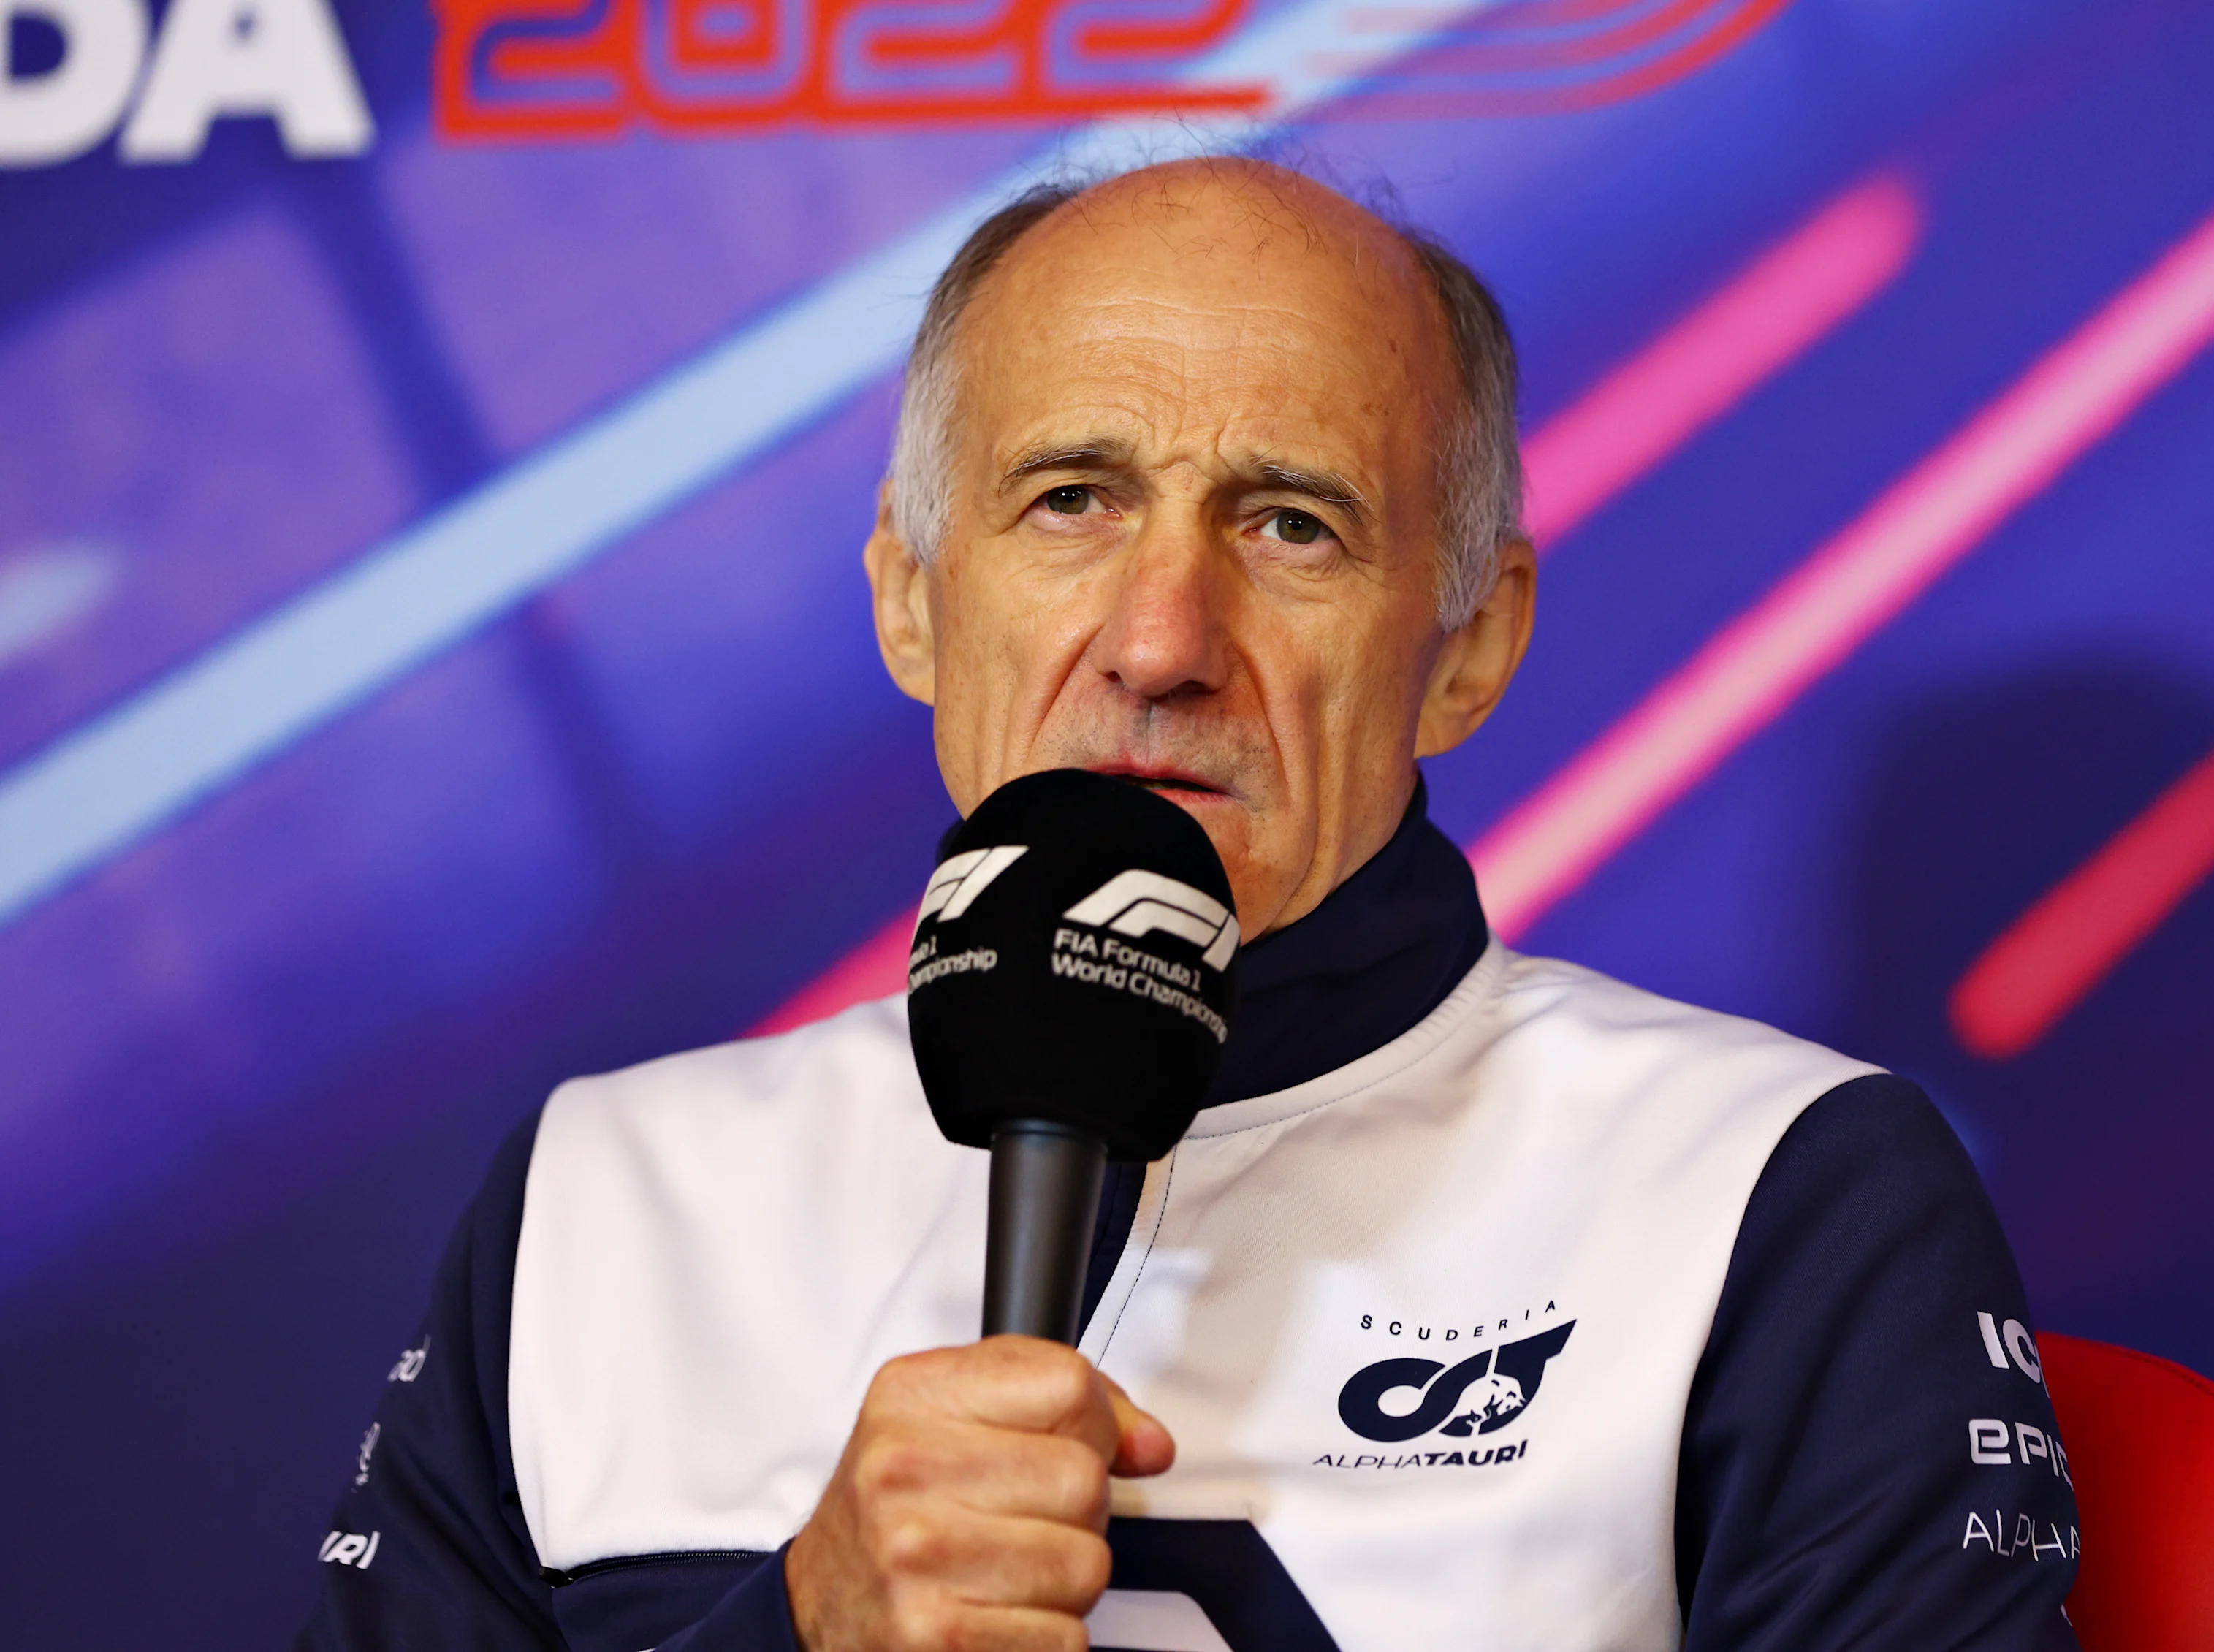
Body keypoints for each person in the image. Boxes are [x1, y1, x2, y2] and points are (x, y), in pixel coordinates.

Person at [296, 159, 2080, 1652]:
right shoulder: (604, 1195)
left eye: (1291, 526)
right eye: (1070, 501)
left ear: (1469, 646)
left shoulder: (1776, 1192)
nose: (1160, 642)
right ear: (913, 604)